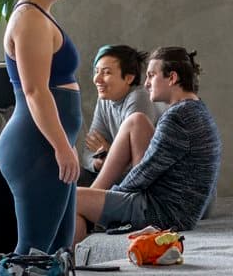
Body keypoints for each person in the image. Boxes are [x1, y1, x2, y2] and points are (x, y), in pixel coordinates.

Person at [73, 47, 221, 245]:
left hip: (163, 213)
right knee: (136, 121)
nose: (146, 83)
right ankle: (68, 261)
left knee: (73, 199)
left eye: (151, 75)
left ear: (172, 78)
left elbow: (145, 172)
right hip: (173, 208)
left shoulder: (178, 118)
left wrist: (109, 197)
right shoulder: (195, 109)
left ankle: (62, 263)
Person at [0, 0, 81, 255]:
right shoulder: (29, 19)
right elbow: (34, 91)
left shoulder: (40, 15)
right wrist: (61, 146)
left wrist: (64, 144)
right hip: (37, 147)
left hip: (49, 145)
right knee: (33, 253)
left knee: (58, 250)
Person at [80, 45, 159, 188]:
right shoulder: (105, 100)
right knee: (67, 175)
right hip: (114, 176)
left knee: (79, 198)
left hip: (144, 185)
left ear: (129, 78)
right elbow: (89, 151)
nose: (97, 79)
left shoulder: (139, 98)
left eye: (106, 73)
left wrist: (110, 153)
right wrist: (97, 163)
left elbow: (139, 166)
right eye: (96, 72)